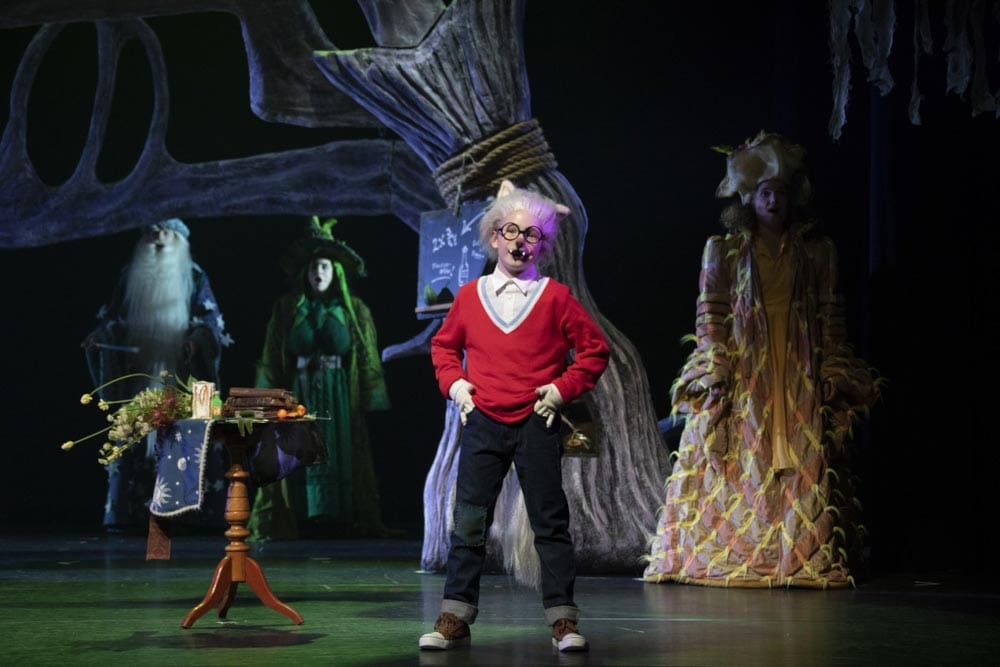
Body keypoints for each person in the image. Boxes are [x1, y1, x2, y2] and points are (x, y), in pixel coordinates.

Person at [643, 131, 881, 588]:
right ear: (749, 199)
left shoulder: (816, 252)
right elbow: (710, 313)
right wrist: (714, 364)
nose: (774, 201)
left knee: (799, 448)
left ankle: (796, 548)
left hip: (796, 365)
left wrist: (833, 368)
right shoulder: (724, 250)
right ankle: (739, 548)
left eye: (781, 193)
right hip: (746, 365)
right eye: (765, 193)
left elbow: (831, 312)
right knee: (739, 448)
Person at [419, 180, 610, 652]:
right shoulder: (470, 296)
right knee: (469, 520)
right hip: (483, 421)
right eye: (510, 231)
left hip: (536, 422)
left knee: (549, 522)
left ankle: (563, 620)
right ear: (494, 236)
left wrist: (560, 390)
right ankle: (455, 615)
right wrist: (456, 385)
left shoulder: (555, 297)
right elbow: (443, 347)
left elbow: (594, 350)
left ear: (543, 245)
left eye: (531, 234)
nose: (519, 242)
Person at [247, 217, 393, 541]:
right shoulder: (287, 308)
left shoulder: (353, 310)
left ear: (335, 272)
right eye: (314, 267)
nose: (319, 272)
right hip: (300, 392)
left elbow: (366, 354)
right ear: (305, 272)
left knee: (337, 448)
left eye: (325, 266)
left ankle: (338, 516)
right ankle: (301, 514)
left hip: (338, 393)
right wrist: (266, 398)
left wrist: (369, 395)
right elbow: (272, 354)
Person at [83, 218, 232, 532]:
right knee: (133, 439)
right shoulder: (130, 277)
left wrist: (196, 342)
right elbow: (114, 319)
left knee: (190, 439)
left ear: (179, 238)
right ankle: (130, 515)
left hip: (184, 375)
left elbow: (210, 322)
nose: (159, 238)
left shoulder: (194, 276)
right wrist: (101, 338)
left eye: (166, 232)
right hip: (140, 375)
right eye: (152, 232)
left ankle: (191, 516)